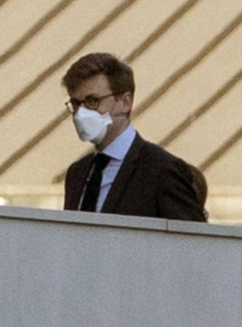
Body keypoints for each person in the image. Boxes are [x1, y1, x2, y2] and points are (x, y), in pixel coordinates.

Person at [61, 52, 206, 221]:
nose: (81, 113)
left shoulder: (162, 170)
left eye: (92, 101)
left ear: (125, 102)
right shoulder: (77, 174)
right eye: (75, 104)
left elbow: (194, 243)